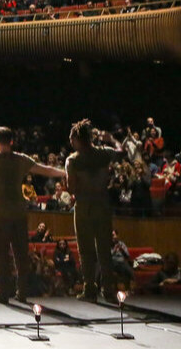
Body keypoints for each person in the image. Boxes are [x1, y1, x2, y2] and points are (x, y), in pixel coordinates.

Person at [0, 105, 66, 303]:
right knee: (21, 255)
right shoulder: (21, 159)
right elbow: (44, 170)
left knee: (0, 257)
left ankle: (3, 293)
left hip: (0, 215)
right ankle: (22, 294)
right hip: (19, 214)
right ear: (12, 141)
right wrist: (64, 172)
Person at [64, 119, 123, 302]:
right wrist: (112, 139)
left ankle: (90, 289)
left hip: (83, 207)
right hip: (103, 205)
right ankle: (109, 290)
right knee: (104, 250)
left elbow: (71, 188)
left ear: (76, 138)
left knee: (86, 250)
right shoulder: (104, 153)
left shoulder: (73, 160)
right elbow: (122, 153)